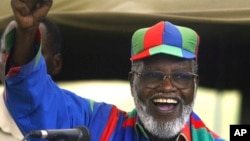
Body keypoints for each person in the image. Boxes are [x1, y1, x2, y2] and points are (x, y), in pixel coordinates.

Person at [4, 0, 225, 141]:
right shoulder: (97, 126)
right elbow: (36, 99)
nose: (167, 87)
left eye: (181, 77)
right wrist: (27, 31)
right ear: (132, 82)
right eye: (153, 75)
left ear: (194, 85)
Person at [0, 17, 63, 140]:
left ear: (56, 64)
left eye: (31, 53)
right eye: (5, 51)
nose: (16, 61)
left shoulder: (78, 122)